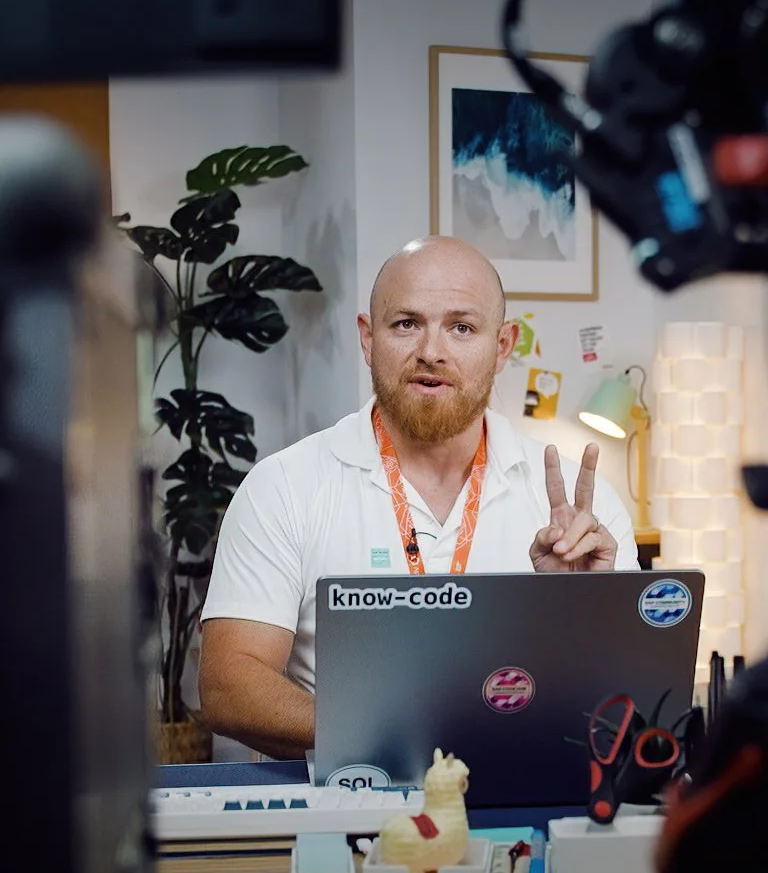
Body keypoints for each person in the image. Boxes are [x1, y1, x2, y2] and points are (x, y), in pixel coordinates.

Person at [198, 235, 637, 758]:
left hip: (532, 808)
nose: (432, 352)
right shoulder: (285, 487)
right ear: (367, 338)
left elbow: (630, 707)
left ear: (502, 347)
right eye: (406, 323)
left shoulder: (580, 510)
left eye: (462, 327)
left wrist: (583, 611)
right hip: (347, 813)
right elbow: (228, 685)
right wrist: (387, 730)